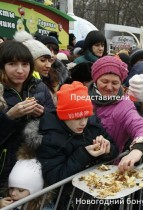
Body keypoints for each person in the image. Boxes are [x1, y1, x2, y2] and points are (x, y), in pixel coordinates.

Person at [0, 40, 55, 195]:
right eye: (12, 64)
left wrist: (44, 114)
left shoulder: (39, 86)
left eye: (25, 64)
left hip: (35, 164)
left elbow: (56, 122)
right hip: (5, 168)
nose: (20, 70)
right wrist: (9, 116)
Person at [36, 81, 118, 185]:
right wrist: (84, 154)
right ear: (63, 116)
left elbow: (114, 150)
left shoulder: (92, 124)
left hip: (96, 186)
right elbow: (54, 178)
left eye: (86, 116)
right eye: (77, 118)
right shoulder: (50, 136)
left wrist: (107, 150)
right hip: (68, 196)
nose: (83, 123)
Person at [88, 56, 143, 173]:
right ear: (95, 80)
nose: (109, 87)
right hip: (75, 169)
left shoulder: (124, 106)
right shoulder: (81, 96)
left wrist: (136, 151)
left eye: (115, 83)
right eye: (104, 81)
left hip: (104, 171)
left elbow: (142, 127)